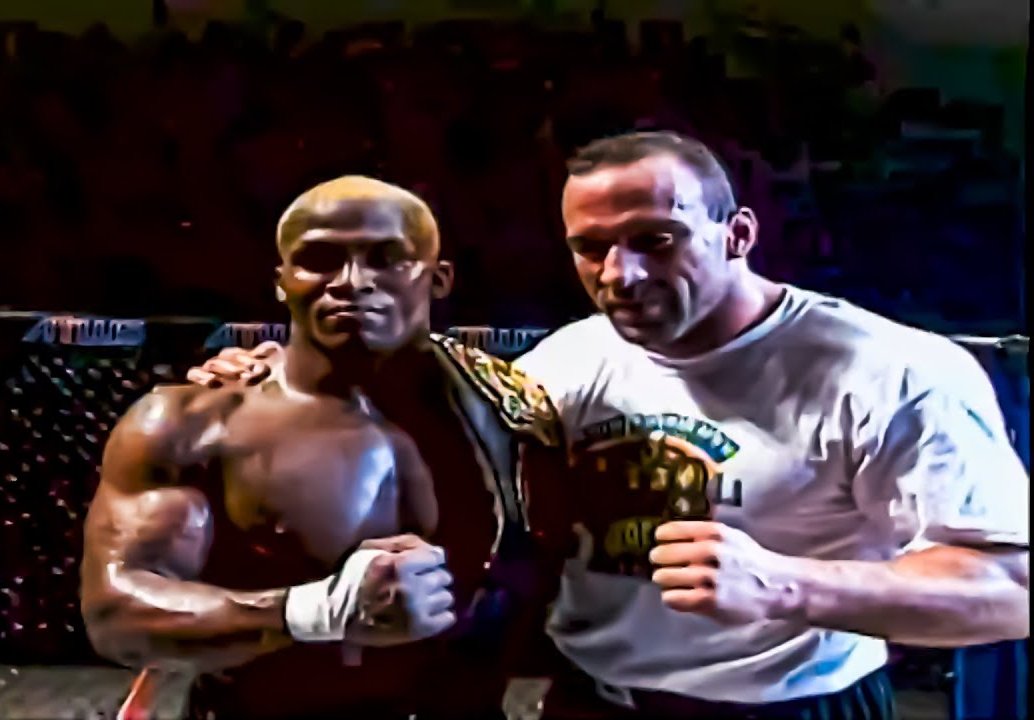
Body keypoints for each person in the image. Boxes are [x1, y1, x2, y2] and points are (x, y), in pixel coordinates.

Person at [187, 131, 1030, 719]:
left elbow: (1011, 590)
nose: (619, 274)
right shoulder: (568, 361)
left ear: (737, 234)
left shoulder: (895, 372)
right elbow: (401, 395)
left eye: (655, 240)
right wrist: (273, 378)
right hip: (589, 702)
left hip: (788, 707)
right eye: (591, 248)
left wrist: (790, 587)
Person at [80, 175, 566, 720]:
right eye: (320, 260)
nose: (353, 282)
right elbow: (115, 611)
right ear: (281, 281)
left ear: (438, 279)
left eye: (386, 258)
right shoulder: (194, 424)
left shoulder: (515, 411)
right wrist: (314, 612)